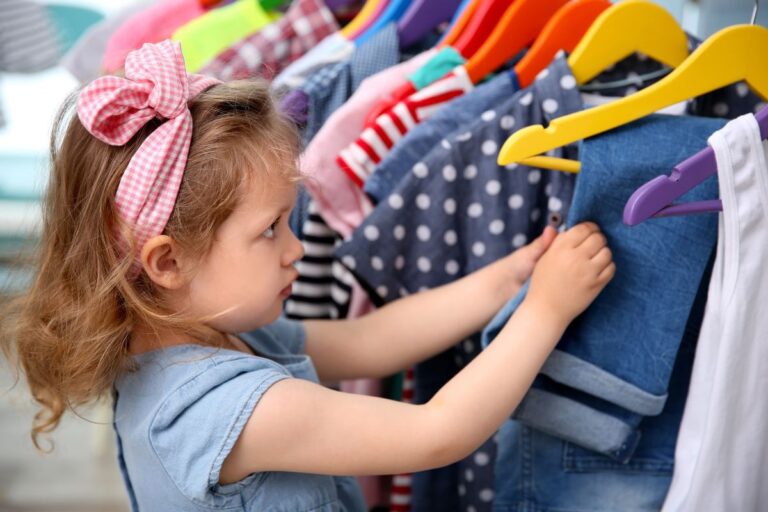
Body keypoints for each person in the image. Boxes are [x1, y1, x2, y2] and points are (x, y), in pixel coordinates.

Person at [0, 41, 615, 511]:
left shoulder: (215, 336)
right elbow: (438, 432)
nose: (297, 250)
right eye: (271, 230)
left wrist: (507, 281)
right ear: (168, 262)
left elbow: (371, 340)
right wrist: (546, 311)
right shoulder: (225, 408)